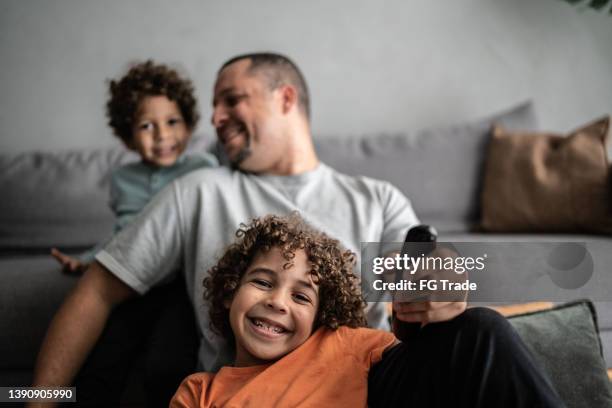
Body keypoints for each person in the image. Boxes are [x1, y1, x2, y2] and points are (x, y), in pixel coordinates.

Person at [31, 52, 549, 407]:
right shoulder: (200, 191)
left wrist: (442, 287)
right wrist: (39, 400)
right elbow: (97, 291)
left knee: (482, 329)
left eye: (231, 99)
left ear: (285, 99)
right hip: (254, 389)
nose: (214, 116)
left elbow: (425, 288)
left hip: (369, 384)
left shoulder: (376, 198)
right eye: (214, 105)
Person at [170, 213, 562, 407]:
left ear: (321, 318)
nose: (277, 301)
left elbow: (432, 360)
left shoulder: (344, 344)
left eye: (302, 297)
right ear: (227, 292)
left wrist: (427, 304)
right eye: (262, 282)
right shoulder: (200, 393)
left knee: (481, 328)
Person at [51, 60, 218, 274]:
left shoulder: (204, 167)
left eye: (172, 122)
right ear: (128, 137)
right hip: (135, 271)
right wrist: (86, 260)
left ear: (188, 127)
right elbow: (123, 234)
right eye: (146, 126)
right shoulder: (122, 179)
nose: (162, 135)